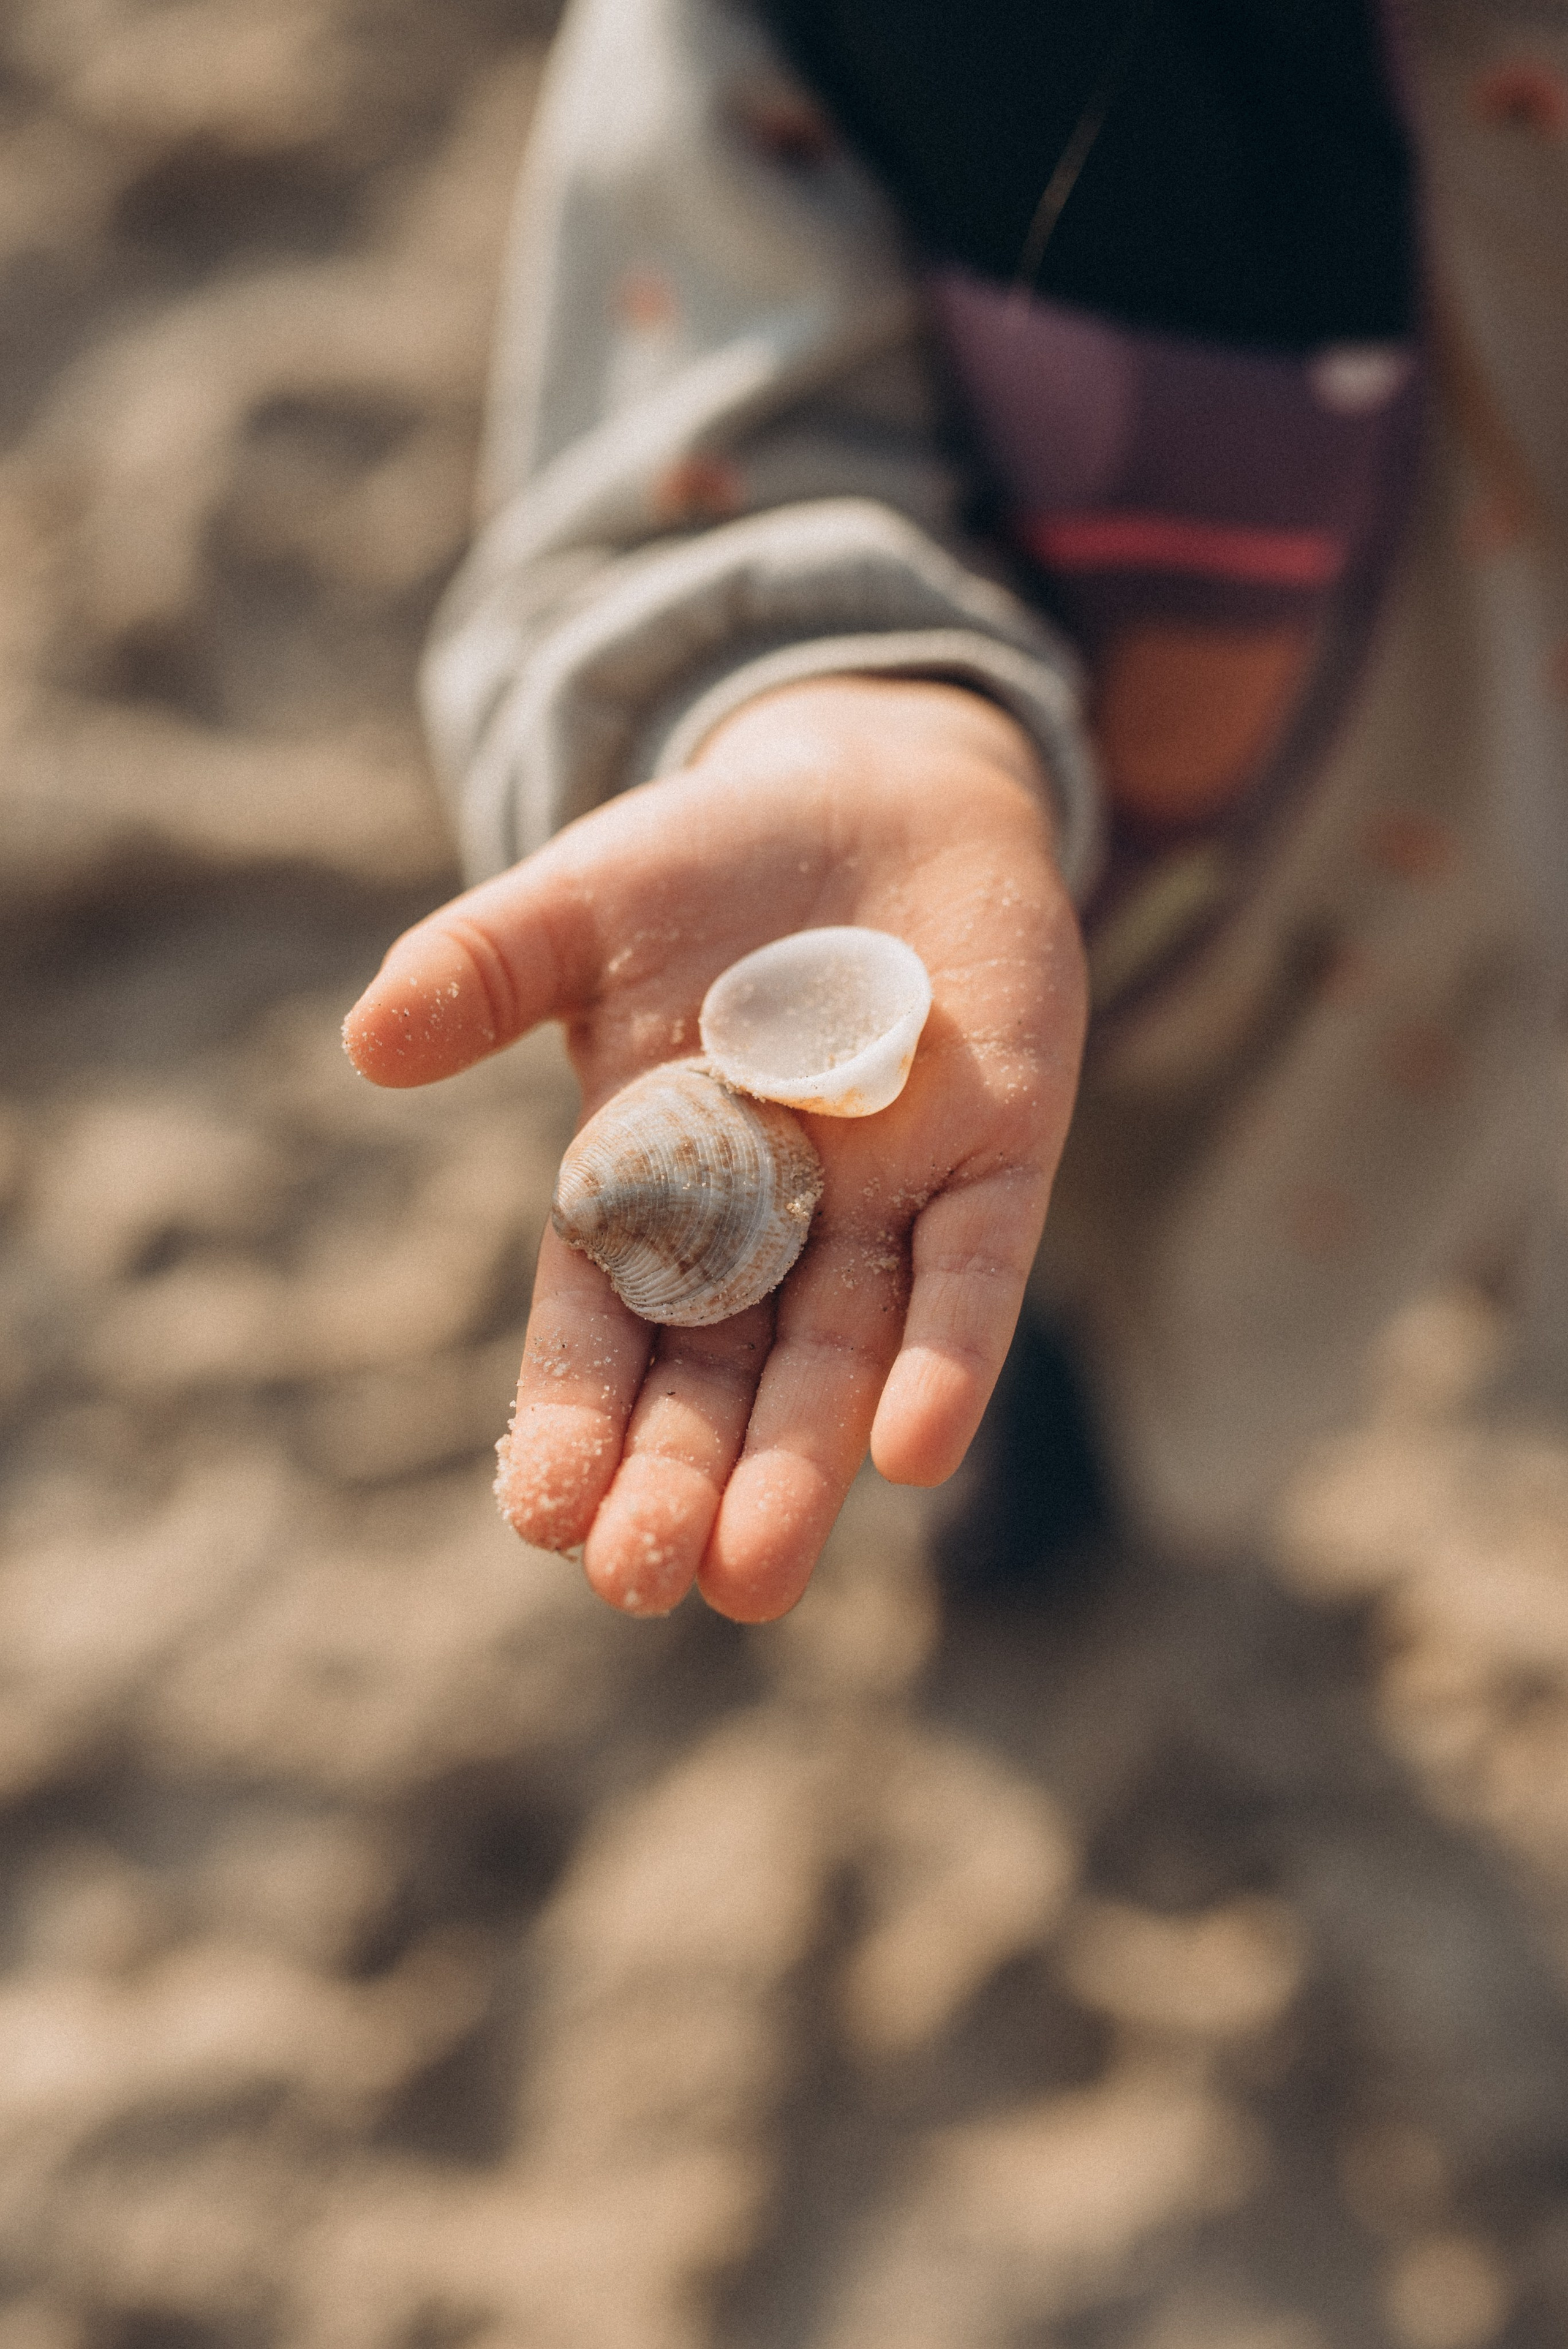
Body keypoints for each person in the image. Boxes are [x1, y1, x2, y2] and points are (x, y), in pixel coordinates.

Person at [344, 0, 1568, 1624]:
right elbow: (699, 382)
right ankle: (1098, 1441)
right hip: (1146, 963)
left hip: (1491, 995)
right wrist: (824, 693)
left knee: (1407, 1266)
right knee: (1098, 1270)